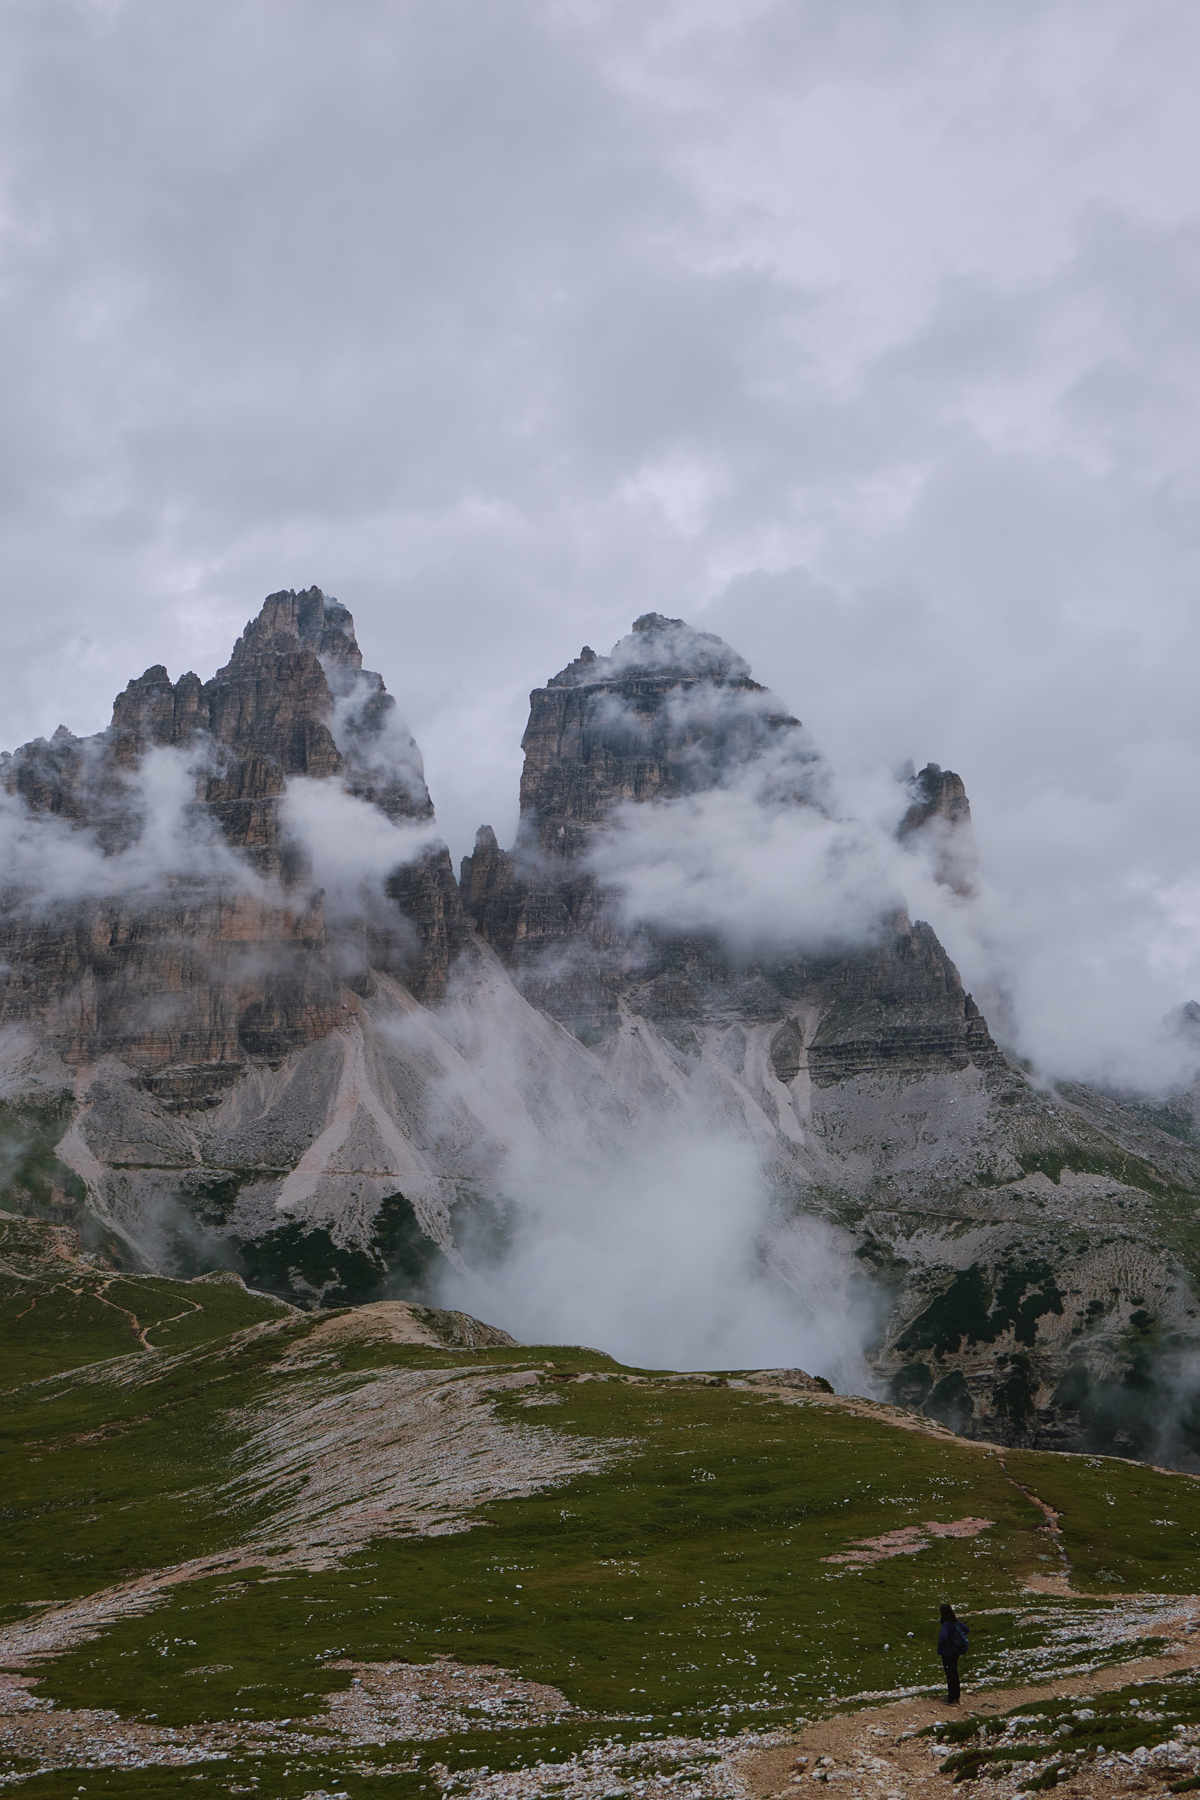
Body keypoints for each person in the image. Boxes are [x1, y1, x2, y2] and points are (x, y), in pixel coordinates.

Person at [937, 1603, 967, 1704]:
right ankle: (956, 1696)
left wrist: (945, 1643)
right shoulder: (955, 1622)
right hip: (955, 1652)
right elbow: (966, 1630)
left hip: (947, 1653)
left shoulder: (946, 1624)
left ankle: (951, 1698)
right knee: (954, 1672)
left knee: (949, 1674)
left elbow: (943, 1637)